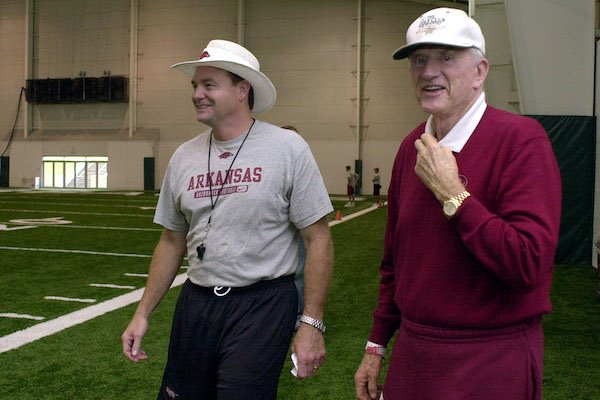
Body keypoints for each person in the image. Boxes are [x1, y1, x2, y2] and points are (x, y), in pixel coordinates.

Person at [355, 8, 561, 400]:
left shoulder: (522, 141)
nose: (429, 71)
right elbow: (394, 263)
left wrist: (454, 196)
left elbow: (529, 264)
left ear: (480, 71)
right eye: (419, 59)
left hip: (491, 357)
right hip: (414, 355)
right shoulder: (411, 147)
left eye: (446, 57)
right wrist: (377, 344)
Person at [121, 39, 334, 399]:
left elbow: (318, 238)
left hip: (263, 304)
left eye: (209, 85)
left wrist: (311, 323)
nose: (197, 94)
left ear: (242, 90)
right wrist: (143, 312)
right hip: (197, 302)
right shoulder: (184, 156)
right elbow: (171, 241)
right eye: (195, 86)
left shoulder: (286, 148)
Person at [281, 124, 306, 329]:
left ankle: (299, 313)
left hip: (298, 230)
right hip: (276, 233)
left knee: (299, 272)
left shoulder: (303, 166)